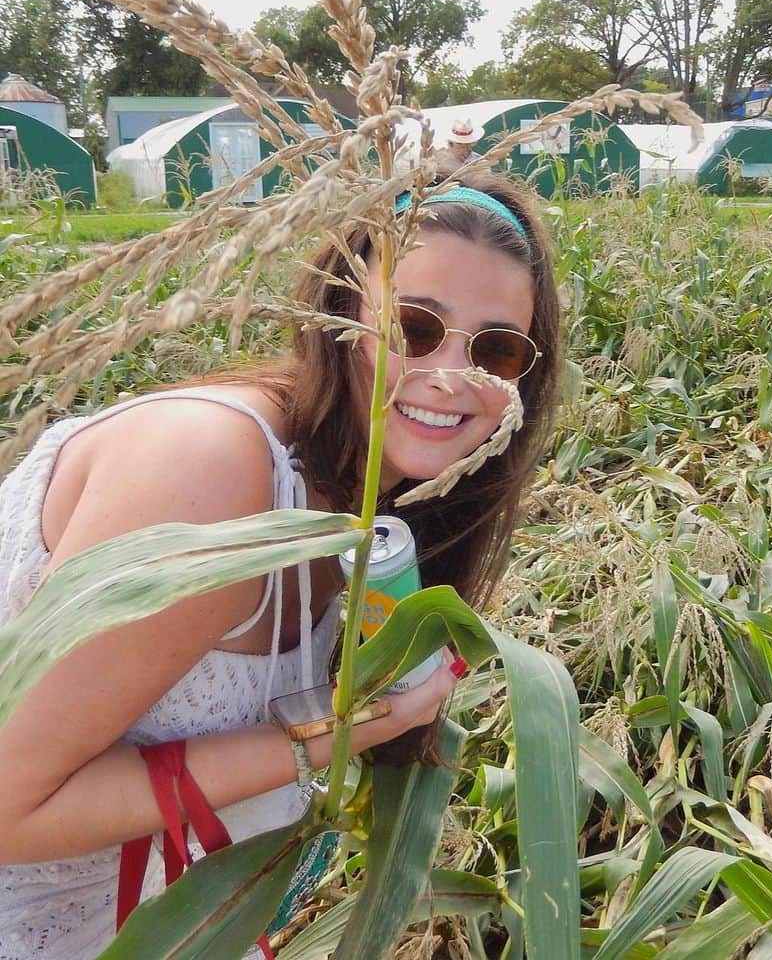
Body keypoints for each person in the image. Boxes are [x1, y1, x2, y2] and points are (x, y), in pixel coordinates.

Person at [0, 170, 562, 958]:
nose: (451, 375)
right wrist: (345, 732)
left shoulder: (377, 507)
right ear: (338, 315)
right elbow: (7, 807)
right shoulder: (212, 472)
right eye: (413, 324)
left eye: (497, 349)